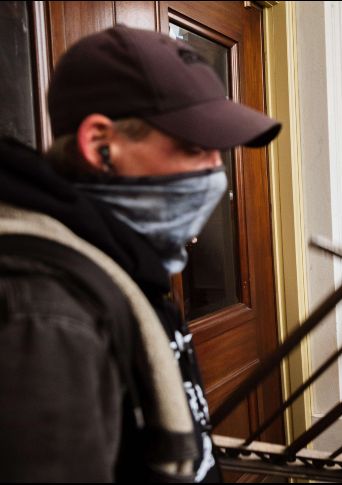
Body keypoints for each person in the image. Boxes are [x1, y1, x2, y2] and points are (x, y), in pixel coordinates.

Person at [0, 26, 281, 482]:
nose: (215, 173)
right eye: (193, 147)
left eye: (218, 152)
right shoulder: (43, 310)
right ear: (100, 145)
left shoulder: (121, 260)